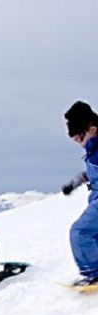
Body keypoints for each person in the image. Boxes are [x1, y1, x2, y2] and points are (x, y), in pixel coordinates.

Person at [63, 100, 98, 286]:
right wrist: (78, 180)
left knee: (80, 232)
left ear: (91, 129)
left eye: (79, 136)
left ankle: (94, 274)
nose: (78, 142)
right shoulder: (93, 149)